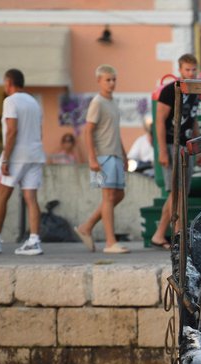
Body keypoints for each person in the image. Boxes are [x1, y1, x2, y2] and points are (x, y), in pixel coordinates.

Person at [0, 68, 46, 256]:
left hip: (16, 156)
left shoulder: (10, 101)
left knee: (2, 195)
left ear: (8, 83)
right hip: (35, 154)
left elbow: (12, 131)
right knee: (31, 198)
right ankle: (34, 241)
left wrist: (6, 158)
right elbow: (40, 131)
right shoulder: (34, 102)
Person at [149, 54, 201, 249]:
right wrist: (162, 150)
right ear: (180, 69)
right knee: (177, 192)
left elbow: (193, 119)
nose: (191, 72)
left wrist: (199, 146)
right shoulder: (170, 91)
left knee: (180, 194)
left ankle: (159, 235)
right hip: (172, 145)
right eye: (187, 69)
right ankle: (179, 234)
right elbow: (160, 122)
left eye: (193, 69)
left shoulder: (195, 90)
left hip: (187, 145)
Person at [76, 64, 128, 254]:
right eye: (108, 79)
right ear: (99, 81)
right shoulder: (97, 102)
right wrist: (92, 158)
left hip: (114, 154)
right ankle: (110, 242)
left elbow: (115, 131)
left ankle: (87, 226)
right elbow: (88, 131)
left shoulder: (112, 103)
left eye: (114, 79)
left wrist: (124, 153)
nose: (112, 83)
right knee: (108, 197)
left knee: (118, 195)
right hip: (103, 156)